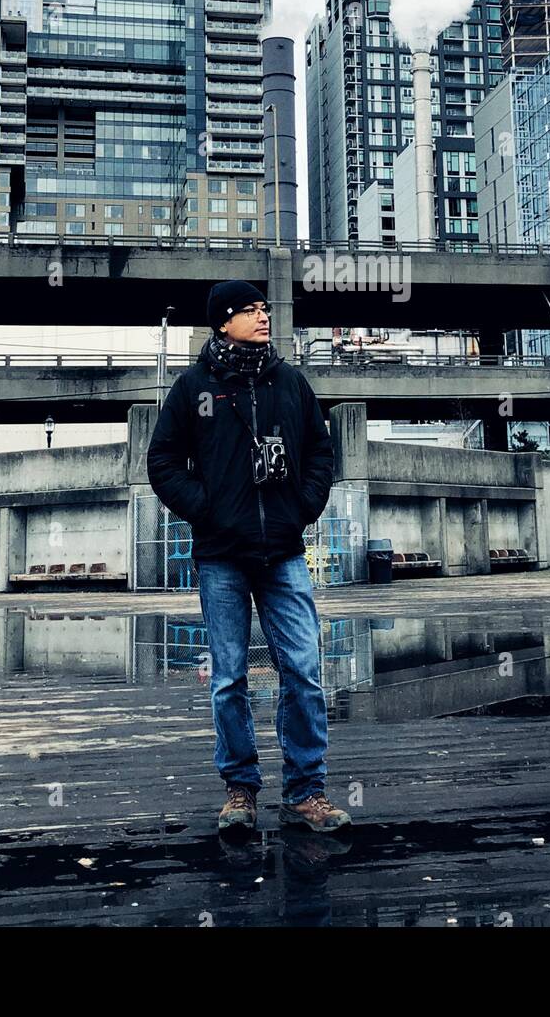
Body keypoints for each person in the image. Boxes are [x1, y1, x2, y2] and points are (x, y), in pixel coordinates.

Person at [146, 280, 352, 835]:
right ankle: (240, 791)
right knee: (229, 678)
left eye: (265, 308)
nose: (263, 317)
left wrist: (304, 506)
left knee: (304, 672)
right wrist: (205, 508)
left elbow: (320, 450)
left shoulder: (290, 382)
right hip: (222, 556)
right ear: (222, 322)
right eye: (249, 311)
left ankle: (307, 792)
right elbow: (162, 459)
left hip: (283, 551)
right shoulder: (194, 388)